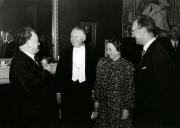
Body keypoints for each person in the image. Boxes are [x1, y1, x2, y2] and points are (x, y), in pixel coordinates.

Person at [132, 15, 175, 127]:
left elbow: (165, 92)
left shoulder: (158, 54)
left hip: (153, 119)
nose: (132, 35)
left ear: (142, 30)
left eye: (133, 31)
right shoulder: (149, 50)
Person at [9, 27, 58, 127]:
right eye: (36, 41)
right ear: (29, 43)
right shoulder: (20, 62)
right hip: (31, 117)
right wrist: (46, 71)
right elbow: (33, 86)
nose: (39, 43)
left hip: (36, 114)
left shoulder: (28, 58)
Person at [54, 26, 98, 127]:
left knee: (85, 120)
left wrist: (94, 89)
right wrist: (58, 91)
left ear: (84, 38)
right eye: (71, 36)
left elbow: (96, 73)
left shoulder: (93, 52)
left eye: (76, 37)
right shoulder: (65, 52)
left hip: (86, 91)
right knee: (69, 121)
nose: (73, 39)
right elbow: (59, 73)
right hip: (68, 91)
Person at [92, 39, 134, 128]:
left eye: (110, 49)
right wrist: (96, 101)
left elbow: (130, 89)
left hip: (119, 106)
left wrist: (126, 109)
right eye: (107, 49)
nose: (107, 52)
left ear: (118, 50)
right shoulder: (101, 63)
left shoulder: (128, 66)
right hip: (103, 105)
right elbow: (97, 84)